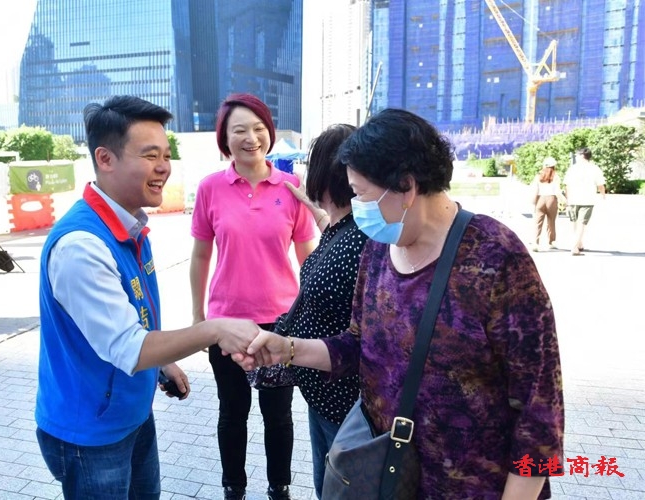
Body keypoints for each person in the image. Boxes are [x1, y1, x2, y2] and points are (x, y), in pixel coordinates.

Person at [237, 109, 564, 499]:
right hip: (391, 479)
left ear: (406, 187)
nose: (357, 206)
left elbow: (540, 410)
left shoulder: (496, 257)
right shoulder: (378, 250)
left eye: (361, 194)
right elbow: (358, 345)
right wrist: (288, 349)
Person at [35, 95, 262, 500]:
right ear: (105, 159)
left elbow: (131, 323)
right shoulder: (82, 247)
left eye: (166, 155)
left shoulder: (131, 225)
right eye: (150, 155)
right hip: (92, 433)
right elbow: (128, 345)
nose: (164, 167)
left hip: (131, 414)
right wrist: (213, 330)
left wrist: (161, 364)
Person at [190, 93, 316, 500]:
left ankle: (280, 487)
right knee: (232, 412)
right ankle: (234, 487)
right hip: (226, 322)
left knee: (278, 415)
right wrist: (198, 318)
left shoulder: (291, 188)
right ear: (224, 138)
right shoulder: (210, 188)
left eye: (259, 128)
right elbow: (200, 255)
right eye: (240, 130)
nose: (251, 138)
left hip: (279, 323)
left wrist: (310, 317)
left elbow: (307, 257)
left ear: (270, 133)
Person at [281, 124, 366, 499]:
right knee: (326, 484)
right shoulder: (340, 226)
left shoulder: (360, 237)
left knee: (337, 489)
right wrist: (308, 204)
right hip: (323, 394)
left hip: (342, 402)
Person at [564, 147, 606, 255]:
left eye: (577, 155)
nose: (576, 156)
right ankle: (575, 246)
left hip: (573, 199)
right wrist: (603, 195)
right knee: (581, 223)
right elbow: (600, 185)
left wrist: (567, 200)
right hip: (587, 200)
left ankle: (578, 244)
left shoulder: (572, 169)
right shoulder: (595, 168)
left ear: (581, 155)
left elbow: (567, 186)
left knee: (574, 223)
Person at [530, 156, 566, 252]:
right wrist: (564, 200)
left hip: (540, 199)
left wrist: (533, 201)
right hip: (551, 199)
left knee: (538, 222)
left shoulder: (538, 176)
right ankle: (551, 242)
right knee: (551, 222)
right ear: (554, 166)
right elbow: (557, 192)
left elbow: (535, 190)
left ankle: (535, 243)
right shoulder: (556, 176)